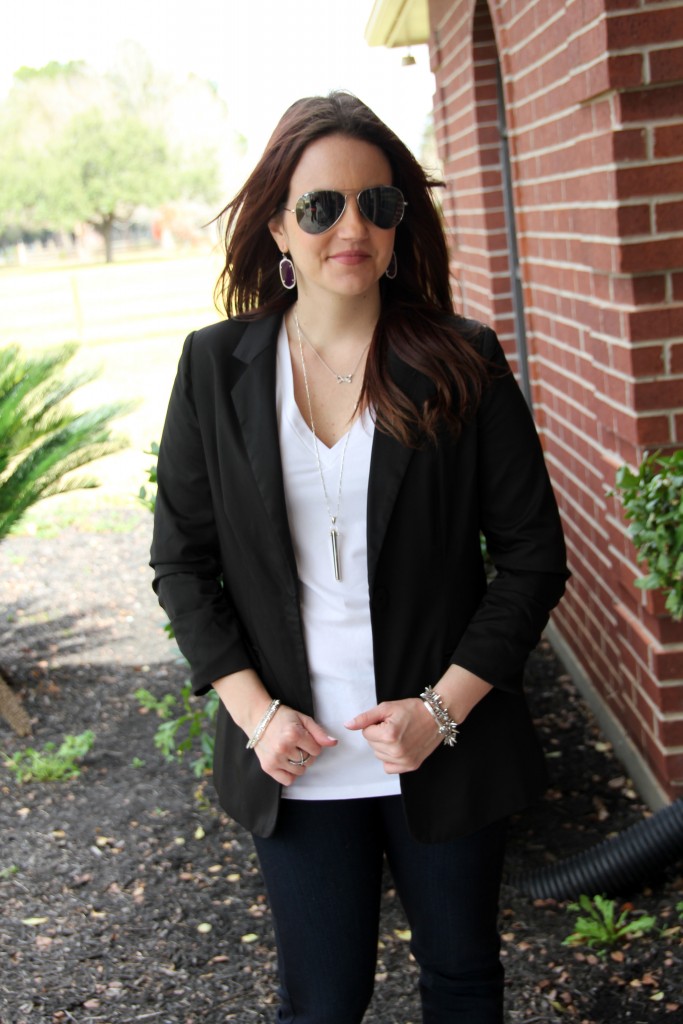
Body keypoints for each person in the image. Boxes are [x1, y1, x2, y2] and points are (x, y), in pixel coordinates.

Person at [150, 91, 569, 1024]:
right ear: (277, 228)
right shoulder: (215, 369)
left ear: (398, 223)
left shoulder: (462, 360)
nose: (352, 227)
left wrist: (440, 711)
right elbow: (181, 564)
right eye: (321, 206)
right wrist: (257, 718)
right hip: (294, 759)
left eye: (377, 204)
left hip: (442, 747)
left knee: (462, 981)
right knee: (321, 1001)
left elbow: (533, 559)